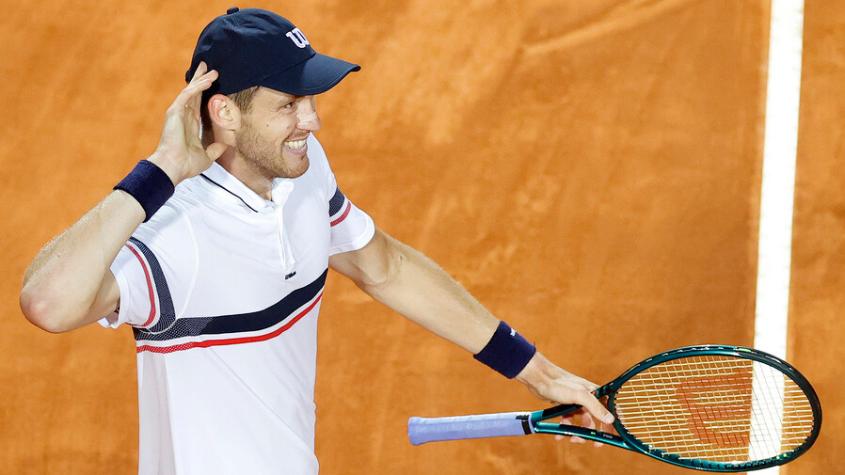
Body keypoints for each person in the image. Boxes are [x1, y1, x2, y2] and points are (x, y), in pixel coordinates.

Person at [19, 7, 613, 475]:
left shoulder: (300, 173)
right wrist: (160, 170)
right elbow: (47, 302)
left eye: (309, 100)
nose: (313, 122)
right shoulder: (177, 230)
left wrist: (538, 372)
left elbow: (384, 267)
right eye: (289, 105)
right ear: (225, 111)